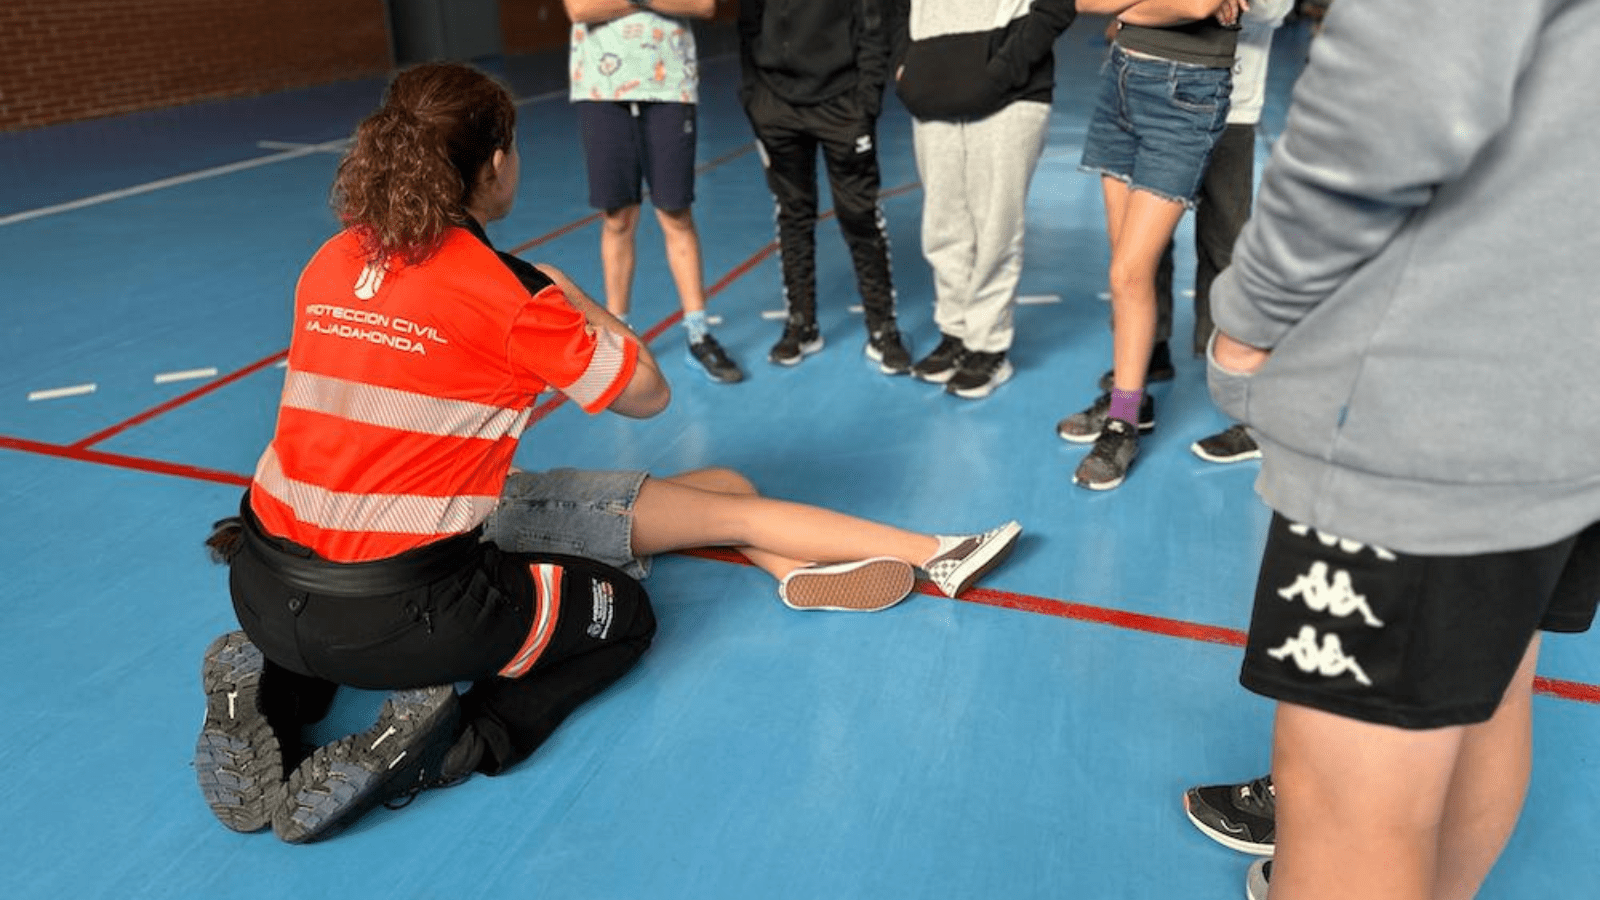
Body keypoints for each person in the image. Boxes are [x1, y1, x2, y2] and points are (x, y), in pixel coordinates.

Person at [192, 62, 1023, 845]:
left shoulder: (334, 259)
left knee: (719, 488)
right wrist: (574, 298)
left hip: (261, 589)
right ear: (493, 164)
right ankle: (458, 744)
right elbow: (649, 393)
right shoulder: (509, 292)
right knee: (621, 617)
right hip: (412, 617)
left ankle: (270, 686)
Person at [1203, 0, 1600, 897]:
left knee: (1347, 809)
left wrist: (1249, 323)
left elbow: (1398, 96)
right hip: (1568, 377)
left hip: (1438, 386)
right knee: (1488, 696)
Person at [1088, 0, 1292, 466]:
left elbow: (1250, 9)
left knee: (1225, 250)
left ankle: (1251, 407)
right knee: (1135, 263)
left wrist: (1133, 11)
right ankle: (1137, 381)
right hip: (1135, 83)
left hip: (1222, 99)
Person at [1054, 1, 1241, 489]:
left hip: (1187, 93)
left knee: (1128, 272)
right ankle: (1129, 397)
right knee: (1124, 271)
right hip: (1121, 81)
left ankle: (1122, 426)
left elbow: (1195, 5)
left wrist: (1127, 11)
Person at [891, 0, 1077, 399]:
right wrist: (904, 66)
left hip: (1010, 94)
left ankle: (988, 345)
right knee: (943, 225)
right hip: (931, 87)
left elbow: (1057, 7)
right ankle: (955, 331)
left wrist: (998, 73)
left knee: (995, 226)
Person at [563, 0, 743, 384]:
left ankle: (699, 333)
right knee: (617, 219)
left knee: (676, 213)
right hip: (601, 87)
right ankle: (617, 335)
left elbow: (703, 4)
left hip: (670, 84)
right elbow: (580, 9)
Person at [738, 0, 913, 375]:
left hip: (843, 102)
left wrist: (866, 102)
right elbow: (749, 22)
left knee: (859, 215)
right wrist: (754, 97)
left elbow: (873, 21)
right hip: (776, 105)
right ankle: (801, 324)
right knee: (792, 215)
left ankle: (883, 328)